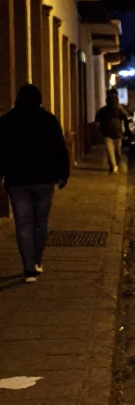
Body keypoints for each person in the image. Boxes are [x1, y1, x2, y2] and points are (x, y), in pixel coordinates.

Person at [0, 84, 70, 283]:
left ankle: (28, 266)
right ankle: (37, 260)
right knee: (40, 221)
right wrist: (63, 174)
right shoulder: (48, 120)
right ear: (39, 99)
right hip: (44, 179)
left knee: (23, 223)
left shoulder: (6, 122)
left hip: (17, 180)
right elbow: (60, 148)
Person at [94, 90, 129, 174]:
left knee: (117, 151)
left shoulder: (119, 109)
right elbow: (97, 120)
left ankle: (116, 164)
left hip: (115, 133)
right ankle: (113, 166)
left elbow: (126, 118)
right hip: (109, 133)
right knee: (111, 151)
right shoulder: (105, 110)